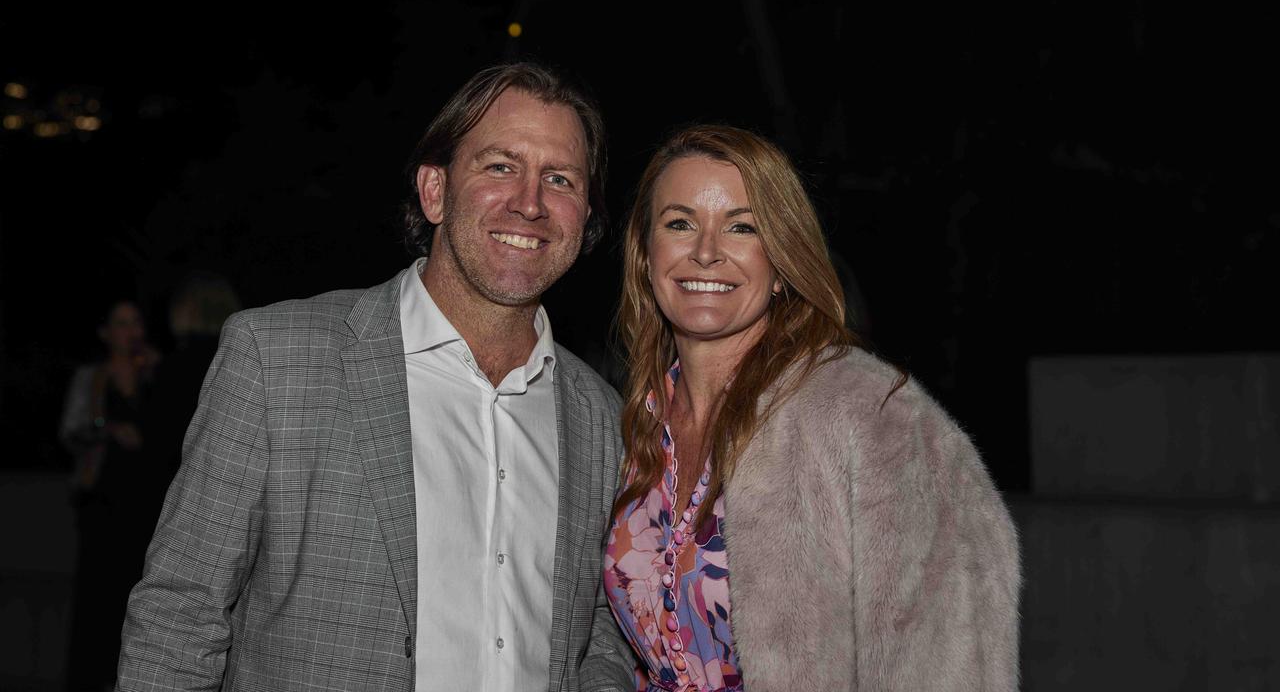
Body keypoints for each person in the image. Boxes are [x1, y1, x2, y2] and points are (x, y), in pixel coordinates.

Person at [118, 63, 635, 691]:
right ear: (434, 190)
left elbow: (604, 628)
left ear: (585, 220)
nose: (529, 202)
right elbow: (179, 615)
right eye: (500, 166)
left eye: (559, 179)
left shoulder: (603, 418)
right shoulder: (278, 358)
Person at [603, 125, 1020, 690]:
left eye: (742, 227)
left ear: (781, 262)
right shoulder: (635, 427)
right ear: (645, 254)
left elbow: (950, 664)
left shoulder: (874, 419)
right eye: (680, 223)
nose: (705, 251)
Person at [58, 298, 162, 691]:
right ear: (105, 332)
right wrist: (109, 429)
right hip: (102, 497)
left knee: (139, 592)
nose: (131, 331)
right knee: (97, 595)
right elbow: (72, 429)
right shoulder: (92, 376)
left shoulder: (155, 371)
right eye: (121, 323)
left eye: (136, 322)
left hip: (147, 499)